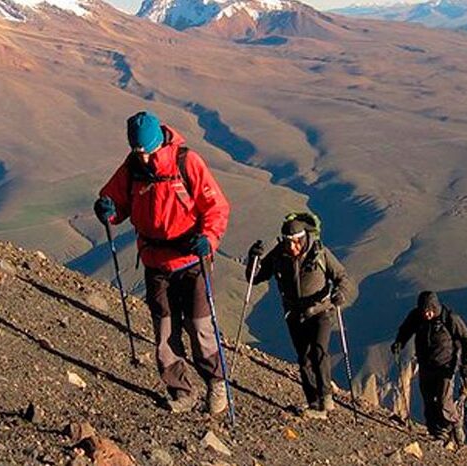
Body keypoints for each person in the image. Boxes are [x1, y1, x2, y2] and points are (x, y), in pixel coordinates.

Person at [94, 111, 230, 415]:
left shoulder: (186, 161)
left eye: (147, 151)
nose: (143, 157)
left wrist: (208, 237)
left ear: (158, 142)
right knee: (165, 333)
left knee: (200, 328)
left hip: (192, 257)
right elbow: (116, 203)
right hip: (155, 261)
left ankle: (216, 382)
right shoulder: (132, 167)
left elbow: (216, 206)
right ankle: (181, 390)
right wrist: (106, 209)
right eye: (137, 151)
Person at [246, 214, 352, 420]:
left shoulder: (319, 252)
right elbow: (255, 278)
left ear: (303, 238)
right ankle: (314, 402)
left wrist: (340, 294)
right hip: (294, 314)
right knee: (304, 358)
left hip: (321, 311)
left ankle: (325, 399)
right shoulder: (278, 255)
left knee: (319, 353)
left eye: (295, 242)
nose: (292, 247)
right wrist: (253, 259)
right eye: (287, 242)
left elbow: (341, 276)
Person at [390, 291, 467, 443]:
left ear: (435, 308)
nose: (427, 314)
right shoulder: (416, 316)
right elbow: (406, 329)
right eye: (424, 311)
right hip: (425, 363)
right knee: (428, 399)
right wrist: (399, 342)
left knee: (443, 399)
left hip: (446, 365)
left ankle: (452, 424)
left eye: (429, 311)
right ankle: (436, 432)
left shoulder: (449, 318)